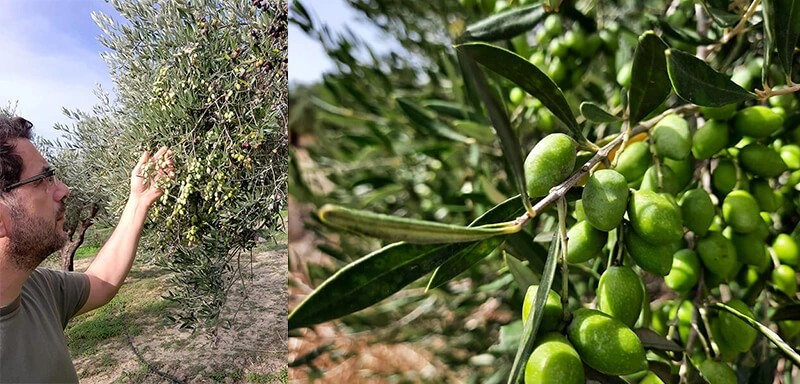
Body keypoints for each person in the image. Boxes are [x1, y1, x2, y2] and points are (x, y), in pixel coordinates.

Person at [0, 116, 174, 382]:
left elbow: (100, 283)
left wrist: (138, 202)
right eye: (42, 180)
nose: (63, 190)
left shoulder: (36, 288)